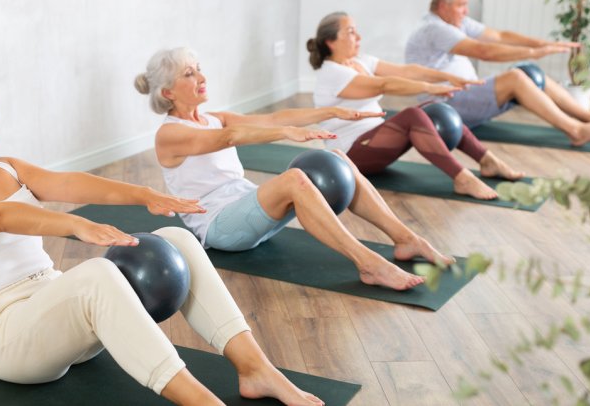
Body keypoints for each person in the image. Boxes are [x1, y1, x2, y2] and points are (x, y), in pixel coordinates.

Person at [0, 71, 324, 406]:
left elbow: (75, 183)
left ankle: (256, 369)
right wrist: (74, 226)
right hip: (6, 338)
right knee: (95, 273)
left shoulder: (9, 168)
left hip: (62, 317)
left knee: (174, 239)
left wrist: (146, 195)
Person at [136, 47, 458, 292]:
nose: (202, 78)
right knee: (294, 180)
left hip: (248, 208)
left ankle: (407, 239)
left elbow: (276, 117)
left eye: (199, 70)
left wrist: (330, 111)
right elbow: (228, 137)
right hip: (219, 226)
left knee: (339, 160)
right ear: (167, 93)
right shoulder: (169, 135)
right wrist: (286, 134)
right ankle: (370, 264)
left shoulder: (214, 116)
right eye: (189, 74)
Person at [307, 11, 525, 200]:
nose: (358, 36)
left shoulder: (361, 61)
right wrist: (428, 87)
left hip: (377, 140)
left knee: (434, 109)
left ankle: (488, 161)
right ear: (330, 41)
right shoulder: (332, 73)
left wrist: (448, 77)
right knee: (412, 115)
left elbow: (407, 71)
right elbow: (383, 84)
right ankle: (462, 179)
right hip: (351, 153)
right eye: (351, 32)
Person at [405, 0, 590, 146]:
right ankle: (576, 131)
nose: (466, 11)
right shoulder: (435, 29)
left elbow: (498, 36)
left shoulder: (455, 21)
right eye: (461, 5)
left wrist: (543, 44)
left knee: (529, 71)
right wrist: (534, 52)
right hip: (446, 105)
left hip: (466, 95)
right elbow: (483, 51)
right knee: (516, 77)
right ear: (444, 5)